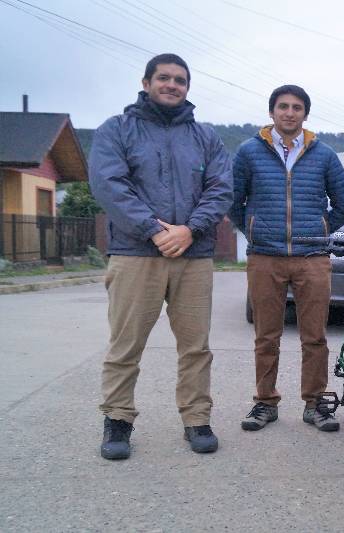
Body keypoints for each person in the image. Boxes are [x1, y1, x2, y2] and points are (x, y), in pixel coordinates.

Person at [89, 53, 233, 459]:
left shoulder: (206, 136)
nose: (172, 85)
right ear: (147, 81)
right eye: (164, 78)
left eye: (180, 80)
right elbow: (109, 185)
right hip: (135, 254)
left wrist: (190, 229)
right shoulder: (116, 130)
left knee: (195, 346)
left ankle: (196, 419)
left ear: (188, 87)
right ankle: (118, 420)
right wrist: (155, 230)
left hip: (194, 254)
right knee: (125, 345)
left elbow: (221, 188)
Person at [230, 85, 344, 433]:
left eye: (296, 107)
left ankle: (315, 404)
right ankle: (265, 403)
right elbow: (232, 200)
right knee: (266, 335)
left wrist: (322, 227)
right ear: (271, 112)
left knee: (314, 336)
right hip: (264, 258)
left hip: (312, 257)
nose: (289, 112)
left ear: (305, 114)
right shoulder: (248, 152)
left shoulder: (325, 154)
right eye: (282, 106)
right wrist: (254, 231)